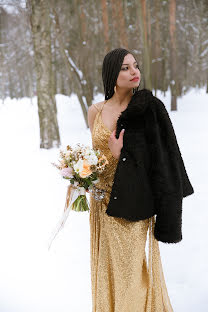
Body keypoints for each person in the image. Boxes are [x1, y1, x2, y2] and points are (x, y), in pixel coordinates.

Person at [87, 48, 177, 311]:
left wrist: (120, 155)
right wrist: (81, 174)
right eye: (125, 68)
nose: (134, 72)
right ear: (112, 75)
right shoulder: (95, 111)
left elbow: (158, 162)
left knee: (130, 275)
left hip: (133, 204)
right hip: (100, 205)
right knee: (107, 271)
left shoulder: (147, 110)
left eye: (135, 66)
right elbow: (94, 158)